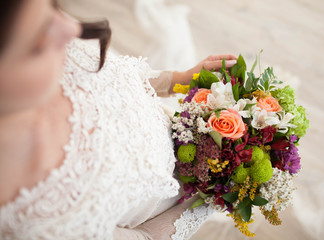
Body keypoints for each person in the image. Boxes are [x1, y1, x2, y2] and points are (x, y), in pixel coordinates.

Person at [0, 0, 238, 239]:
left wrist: (179, 79)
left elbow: (118, 78)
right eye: (37, 44)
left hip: (179, 128)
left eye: (52, 6)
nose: (72, 29)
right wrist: (208, 197)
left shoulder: (59, 36)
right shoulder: (33, 221)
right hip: (181, 200)